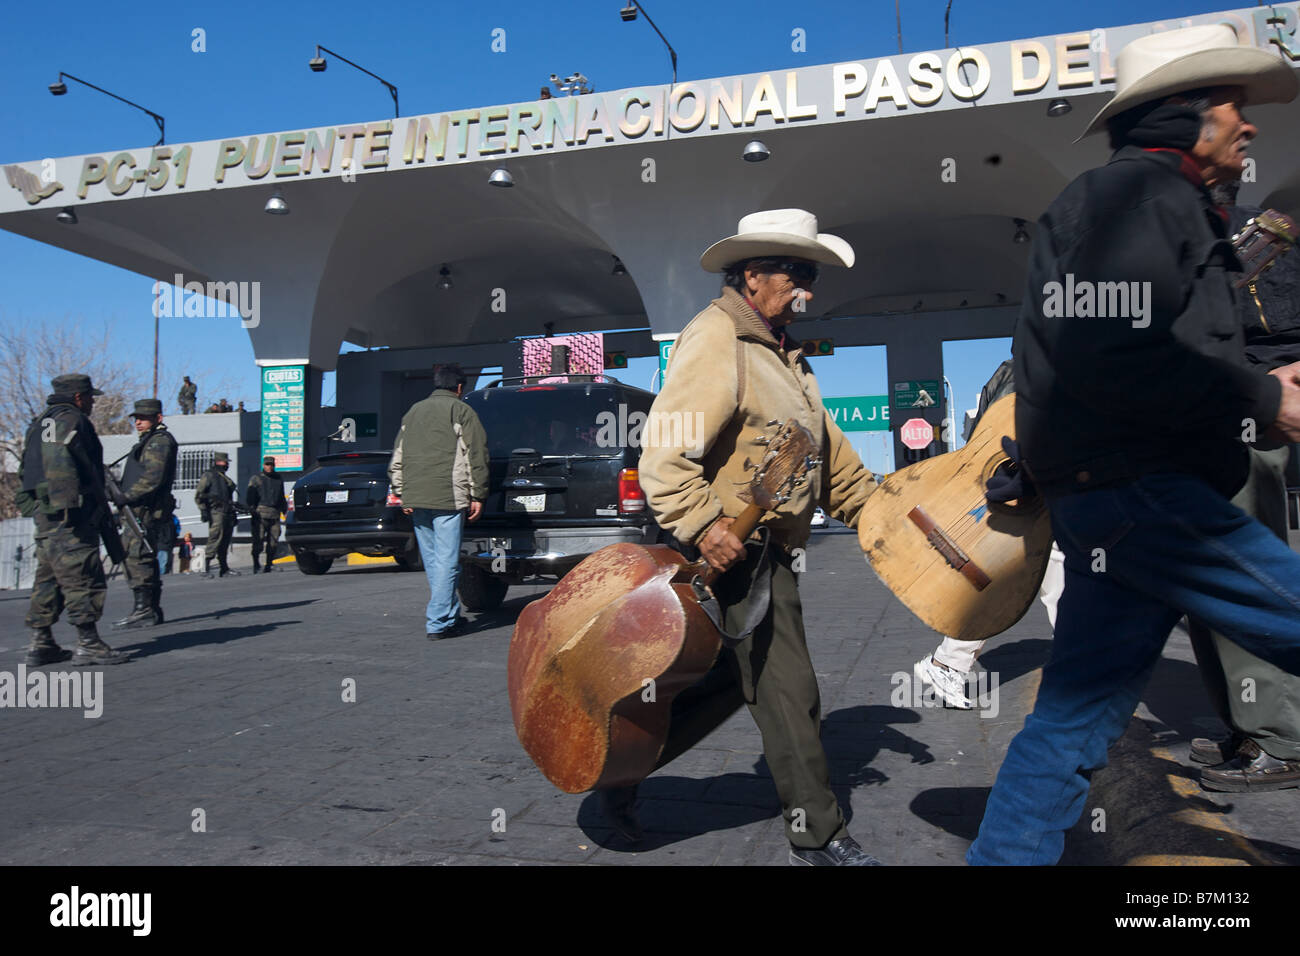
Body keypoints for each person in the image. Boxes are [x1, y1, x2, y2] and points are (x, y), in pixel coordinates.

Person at [968, 25, 1300, 866]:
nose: (1247, 125)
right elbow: (1122, 350)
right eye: (1231, 106)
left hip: (1110, 500)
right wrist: (1269, 399)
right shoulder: (1145, 201)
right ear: (1183, 116)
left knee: (1074, 720)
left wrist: (1256, 396)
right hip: (1144, 493)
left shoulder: (1133, 201)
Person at [634, 209, 880, 866]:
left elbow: (832, 461)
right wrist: (704, 524)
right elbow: (665, 455)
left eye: (812, 275)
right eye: (798, 273)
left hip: (774, 550)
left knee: (714, 684)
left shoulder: (785, 357)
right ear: (751, 275)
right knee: (786, 686)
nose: (808, 289)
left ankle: (620, 767)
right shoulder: (717, 339)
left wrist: (884, 514)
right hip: (738, 557)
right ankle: (817, 833)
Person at [1185, 179, 1300, 792]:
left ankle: (1283, 740)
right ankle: (1247, 725)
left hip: (1256, 421)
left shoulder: (1267, 226)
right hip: (1208, 418)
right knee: (1206, 586)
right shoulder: (1187, 243)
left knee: (1241, 580)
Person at [16, 373, 130, 666]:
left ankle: (41, 642)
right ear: (78, 397)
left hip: (47, 515)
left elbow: (26, 469)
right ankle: (88, 642)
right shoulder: (70, 420)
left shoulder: (40, 423)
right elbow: (57, 464)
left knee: (49, 578)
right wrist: (70, 508)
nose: (93, 402)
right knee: (83, 575)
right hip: (68, 515)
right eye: (90, 397)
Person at [388, 363, 489, 638]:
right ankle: (438, 622)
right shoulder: (462, 410)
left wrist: (402, 492)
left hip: (416, 497)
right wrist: (478, 493)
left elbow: (397, 457)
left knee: (435, 562)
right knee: (446, 561)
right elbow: (476, 454)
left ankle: (450, 615)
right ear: (459, 388)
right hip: (448, 496)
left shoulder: (413, 412)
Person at [112, 399, 179, 630]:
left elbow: (152, 477)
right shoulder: (148, 441)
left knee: (136, 556)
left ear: (158, 419)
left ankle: (144, 609)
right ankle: (149, 609)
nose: (138, 422)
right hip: (141, 507)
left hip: (144, 509)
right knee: (143, 556)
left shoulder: (158, 441)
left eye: (144, 418)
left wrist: (126, 496)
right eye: (136, 418)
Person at [195, 452, 240, 577]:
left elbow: (229, 497)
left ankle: (224, 568)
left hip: (227, 511)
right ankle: (205, 568)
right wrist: (203, 511)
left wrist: (233, 513)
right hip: (216, 512)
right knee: (215, 538)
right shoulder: (209, 475)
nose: (226, 465)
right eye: (224, 462)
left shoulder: (224, 478)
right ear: (218, 462)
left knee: (225, 540)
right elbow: (199, 495)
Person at [247, 456, 287, 574]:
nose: (269, 467)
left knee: (273, 541)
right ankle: (256, 564)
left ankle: (269, 564)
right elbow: (250, 497)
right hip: (261, 513)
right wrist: (252, 510)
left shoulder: (278, 478)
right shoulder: (256, 479)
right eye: (267, 464)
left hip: (274, 514)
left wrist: (284, 510)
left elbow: (281, 496)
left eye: (271, 465)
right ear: (263, 465)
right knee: (258, 540)